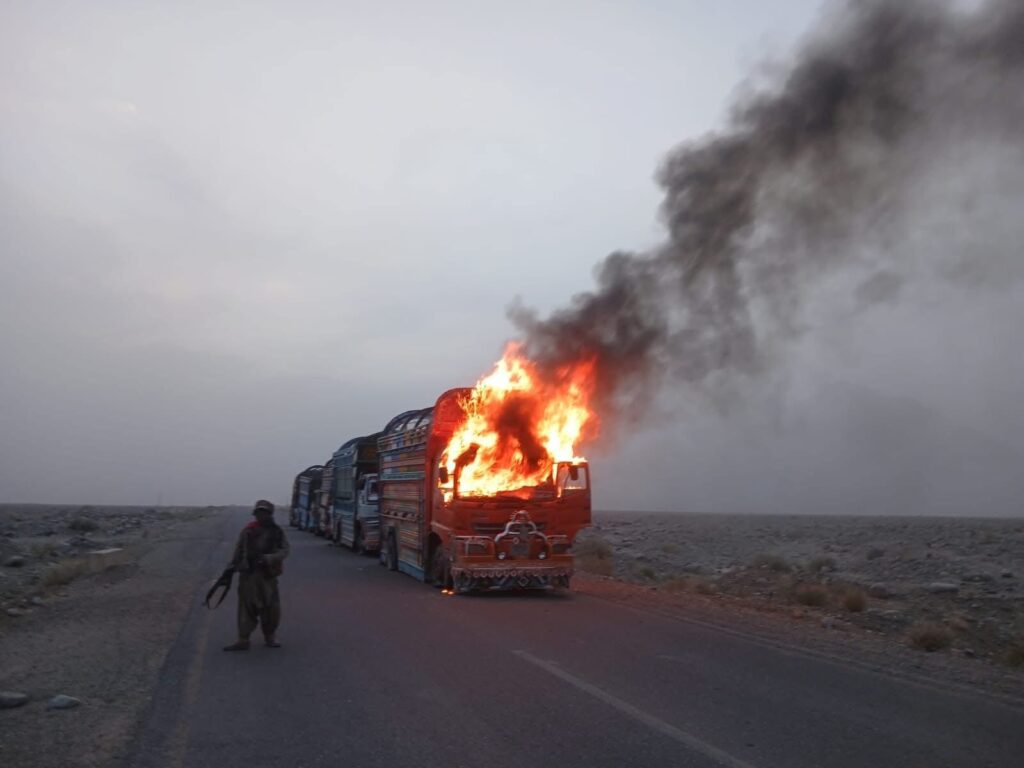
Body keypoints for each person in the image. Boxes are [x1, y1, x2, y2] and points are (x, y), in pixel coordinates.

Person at [223, 500, 290, 651]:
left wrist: (269, 559)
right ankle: (243, 639)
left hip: (267, 576)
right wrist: (232, 566)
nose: (261, 515)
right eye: (259, 512)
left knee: (270, 608)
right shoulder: (248, 531)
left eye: (264, 513)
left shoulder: (277, 532)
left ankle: (270, 636)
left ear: (269, 514)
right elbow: (239, 549)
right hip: (248, 575)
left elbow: (284, 551)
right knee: (246, 608)